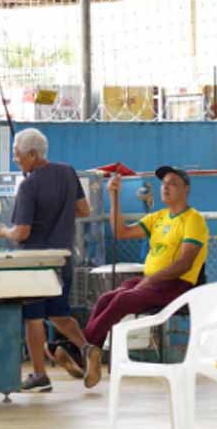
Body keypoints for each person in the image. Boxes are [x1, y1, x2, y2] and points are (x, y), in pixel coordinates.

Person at [81, 166, 208, 387]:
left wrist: (152, 279)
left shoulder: (193, 219)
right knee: (105, 298)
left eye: (173, 183)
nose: (166, 187)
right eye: (164, 183)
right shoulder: (157, 217)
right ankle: (90, 352)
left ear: (186, 190)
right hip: (152, 281)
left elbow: (185, 262)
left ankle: (79, 351)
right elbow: (121, 232)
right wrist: (114, 195)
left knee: (122, 300)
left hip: (177, 285)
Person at [0, 128, 98, 392]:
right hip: (63, 258)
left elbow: (22, 233)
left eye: (18, 155)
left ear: (33, 154)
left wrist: (2, 231)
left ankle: (39, 374)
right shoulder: (67, 172)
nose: (16, 160)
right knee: (59, 312)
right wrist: (57, 210)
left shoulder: (28, 185)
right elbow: (84, 209)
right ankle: (86, 348)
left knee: (34, 317)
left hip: (35, 263)